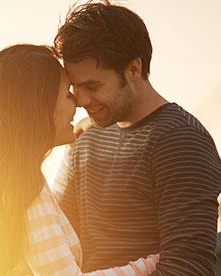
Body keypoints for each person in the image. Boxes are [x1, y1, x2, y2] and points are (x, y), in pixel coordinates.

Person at [0, 44, 159, 276]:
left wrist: (81, 141)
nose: (78, 102)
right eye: (68, 93)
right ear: (38, 107)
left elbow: (47, 232)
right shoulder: (27, 190)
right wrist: (154, 262)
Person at [52, 1, 221, 275]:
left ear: (133, 69)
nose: (81, 100)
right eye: (75, 88)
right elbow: (56, 239)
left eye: (92, 86)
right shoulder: (87, 137)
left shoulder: (181, 141)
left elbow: (188, 267)